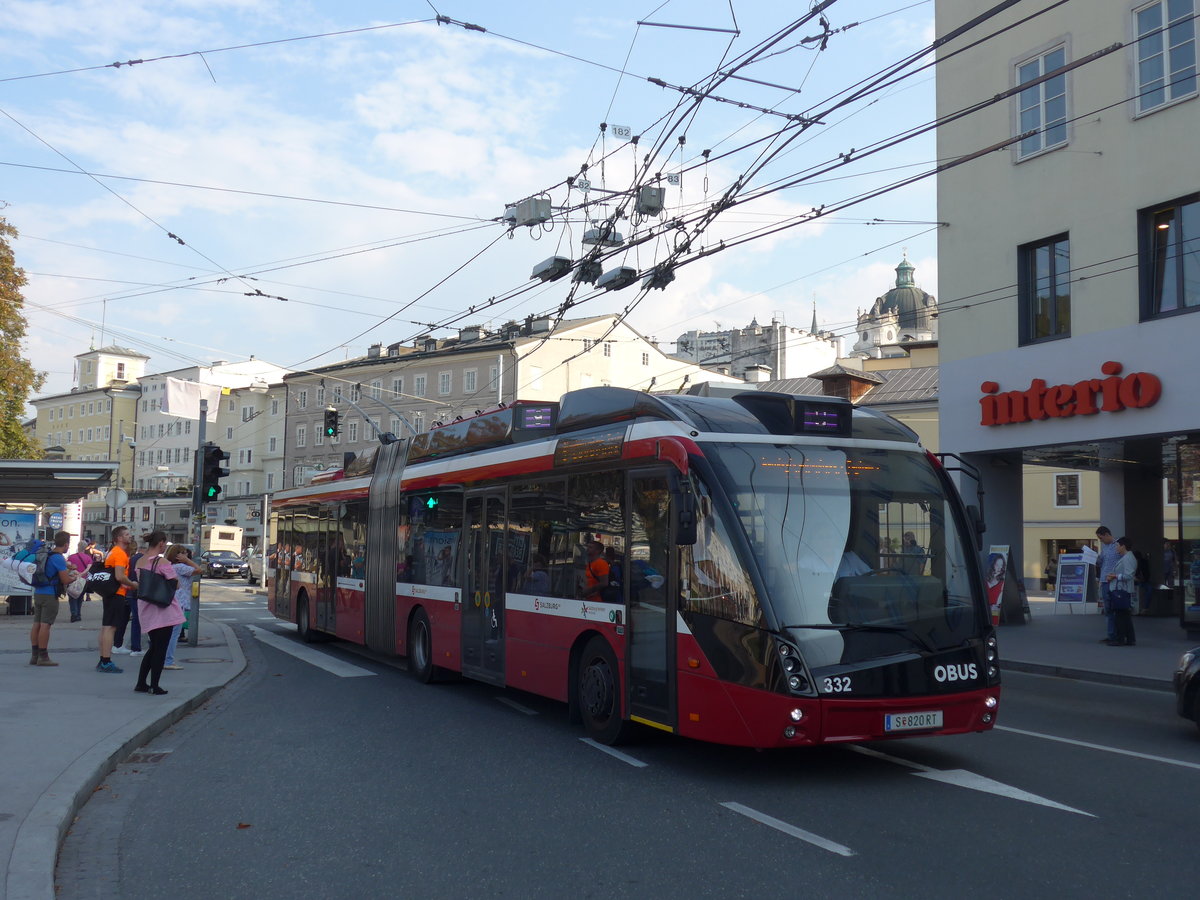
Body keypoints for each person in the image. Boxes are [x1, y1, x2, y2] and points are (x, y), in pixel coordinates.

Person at [133, 531, 182, 695]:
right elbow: (176, 584)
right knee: (160, 649)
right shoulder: (162, 561)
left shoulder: (139, 560)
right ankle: (155, 685)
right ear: (161, 543)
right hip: (162, 610)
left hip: (146, 607)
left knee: (153, 647)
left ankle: (141, 683)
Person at [30, 531, 75, 666]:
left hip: (38, 592)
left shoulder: (48, 554)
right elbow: (65, 579)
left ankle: (34, 655)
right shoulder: (58, 558)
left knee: (36, 624)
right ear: (66, 544)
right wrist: (75, 577)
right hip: (50, 595)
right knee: (45, 625)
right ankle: (43, 657)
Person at [99, 526, 138, 673]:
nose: (130, 536)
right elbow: (120, 576)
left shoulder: (111, 552)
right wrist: (132, 584)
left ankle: (103, 659)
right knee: (111, 628)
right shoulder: (120, 554)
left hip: (108, 592)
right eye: (127, 534)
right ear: (119, 538)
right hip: (117, 592)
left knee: (105, 627)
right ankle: (106, 661)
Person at [162, 544, 200, 671]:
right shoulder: (180, 567)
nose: (187, 555)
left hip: (170, 600)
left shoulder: (169, 566)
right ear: (178, 555)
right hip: (179, 602)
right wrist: (188, 561)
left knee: (169, 633)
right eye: (183, 553)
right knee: (174, 633)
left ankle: (165, 659)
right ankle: (168, 660)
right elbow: (199, 570)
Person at [1105, 536, 1137, 646]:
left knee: (1120, 616)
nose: (1116, 548)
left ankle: (1120, 639)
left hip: (1121, 590)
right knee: (1125, 616)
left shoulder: (1127, 558)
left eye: (1118, 545)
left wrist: (1115, 576)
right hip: (1123, 590)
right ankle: (1130, 639)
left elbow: (1129, 575)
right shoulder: (1127, 557)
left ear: (1123, 546)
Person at [1095, 526, 1120, 643]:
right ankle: (1110, 635)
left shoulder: (1118, 545)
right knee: (1108, 609)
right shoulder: (1104, 547)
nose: (1101, 541)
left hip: (1115, 581)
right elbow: (1101, 563)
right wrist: (1096, 559)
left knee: (1115, 609)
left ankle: (1116, 635)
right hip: (1104, 581)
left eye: (1101, 538)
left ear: (1106, 534)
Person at [66, 539, 95, 622]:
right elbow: (89, 568)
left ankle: (74, 614)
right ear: (85, 548)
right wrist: (82, 574)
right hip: (84, 580)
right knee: (80, 597)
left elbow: (68, 566)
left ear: (78, 547)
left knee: (72, 597)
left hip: (72, 579)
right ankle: (78, 614)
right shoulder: (88, 558)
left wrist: (76, 573)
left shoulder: (71, 557)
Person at [984, 553, 1006, 623]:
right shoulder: (983, 581)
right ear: (991, 565)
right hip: (985, 618)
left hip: (994, 618)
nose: (1000, 568)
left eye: (1001, 565)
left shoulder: (1002, 583)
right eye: (997, 565)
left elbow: (998, 606)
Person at [1133, 549, 1152, 615]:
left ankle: (1144, 608)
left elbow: (1146, 574)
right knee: (1148, 590)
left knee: (1148, 590)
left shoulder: (1143, 563)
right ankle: (1144, 608)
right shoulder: (1141, 562)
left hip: (1141, 581)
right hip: (1138, 581)